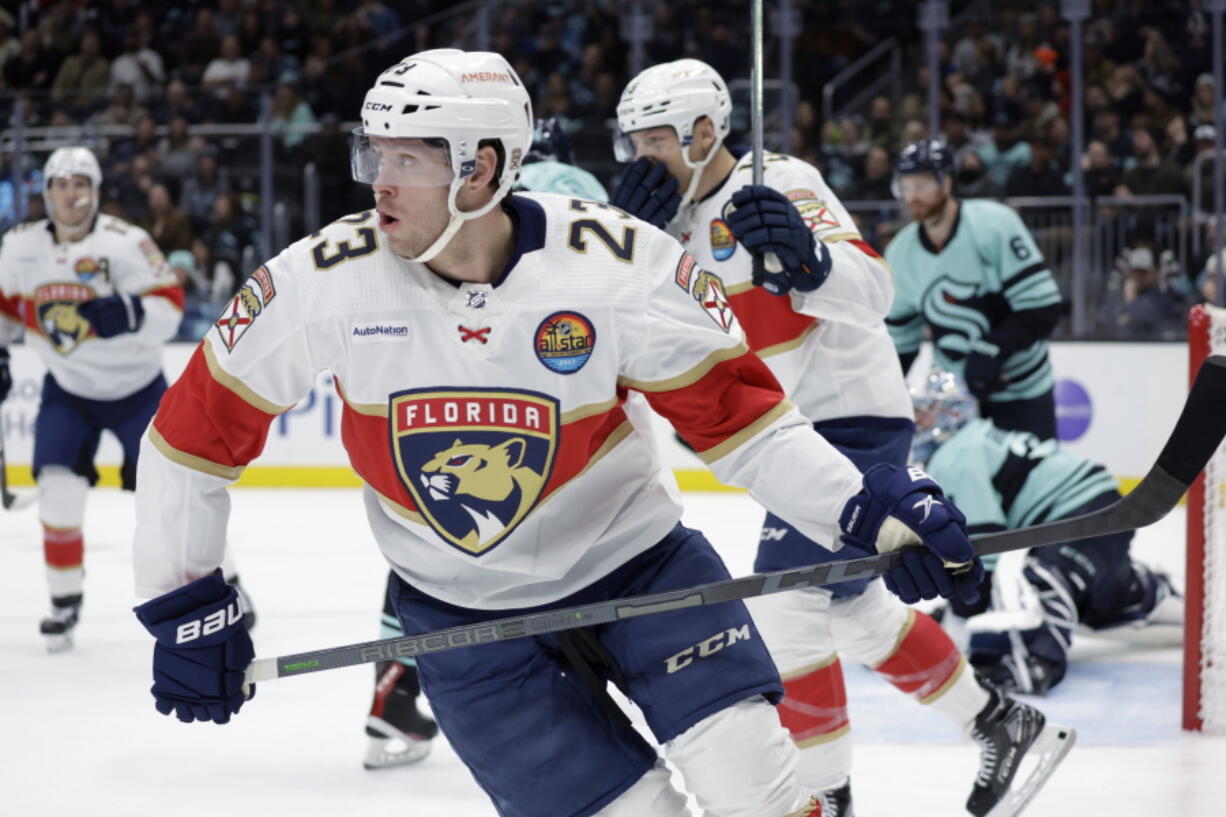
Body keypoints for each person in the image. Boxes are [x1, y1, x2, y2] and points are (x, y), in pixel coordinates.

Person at [129, 49, 985, 817]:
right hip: (465, 618)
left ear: (482, 168)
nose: (378, 182)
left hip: (643, 573)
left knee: (757, 793)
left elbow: (746, 427)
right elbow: (189, 436)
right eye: (375, 156)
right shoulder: (321, 281)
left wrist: (869, 512)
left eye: (407, 160)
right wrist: (186, 603)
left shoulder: (621, 265)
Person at [609, 59, 1072, 817]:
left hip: (846, 422)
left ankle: (827, 796)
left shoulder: (782, 182)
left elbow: (874, 295)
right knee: (849, 609)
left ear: (703, 131)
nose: (640, 159)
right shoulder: (667, 228)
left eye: (654, 139)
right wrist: (632, 246)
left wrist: (809, 260)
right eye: (631, 143)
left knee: (787, 606)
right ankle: (1003, 722)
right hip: (783, 437)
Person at [362, 115, 610, 772]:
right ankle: (578, 692)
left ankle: (396, 701)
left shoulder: (457, 200)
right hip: (556, 395)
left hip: (450, 383)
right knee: (577, 543)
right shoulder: (577, 189)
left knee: (428, 548)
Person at [0, 147, 184, 651]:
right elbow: (7, 312)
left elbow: (171, 309)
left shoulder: (128, 243)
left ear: (97, 191)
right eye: (60, 184)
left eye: (81, 183)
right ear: (46, 192)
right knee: (57, 491)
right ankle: (63, 601)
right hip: (69, 392)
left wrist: (125, 312)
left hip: (137, 390)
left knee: (175, 498)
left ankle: (222, 582)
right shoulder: (18, 248)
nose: (71, 194)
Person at [912, 370, 1183, 694]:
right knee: (1089, 594)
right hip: (1094, 501)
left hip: (1082, 508)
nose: (917, 420)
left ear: (949, 413)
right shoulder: (972, 438)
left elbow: (984, 541)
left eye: (924, 411)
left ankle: (1040, 662)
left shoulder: (955, 456)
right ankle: (1141, 590)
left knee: (1047, 575)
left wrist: (968, 608)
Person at [886, 139, 1064, 440]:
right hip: (951, 392)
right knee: (951, 481)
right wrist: (884, 395)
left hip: (1021, 384)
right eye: (905, 186)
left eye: (921, 185)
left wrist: (991, 349)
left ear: (947, 182)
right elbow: (901, 338)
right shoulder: (900, 252)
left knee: (1032, 483)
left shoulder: (994, 224)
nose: (911, 196)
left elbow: (1043, 307)